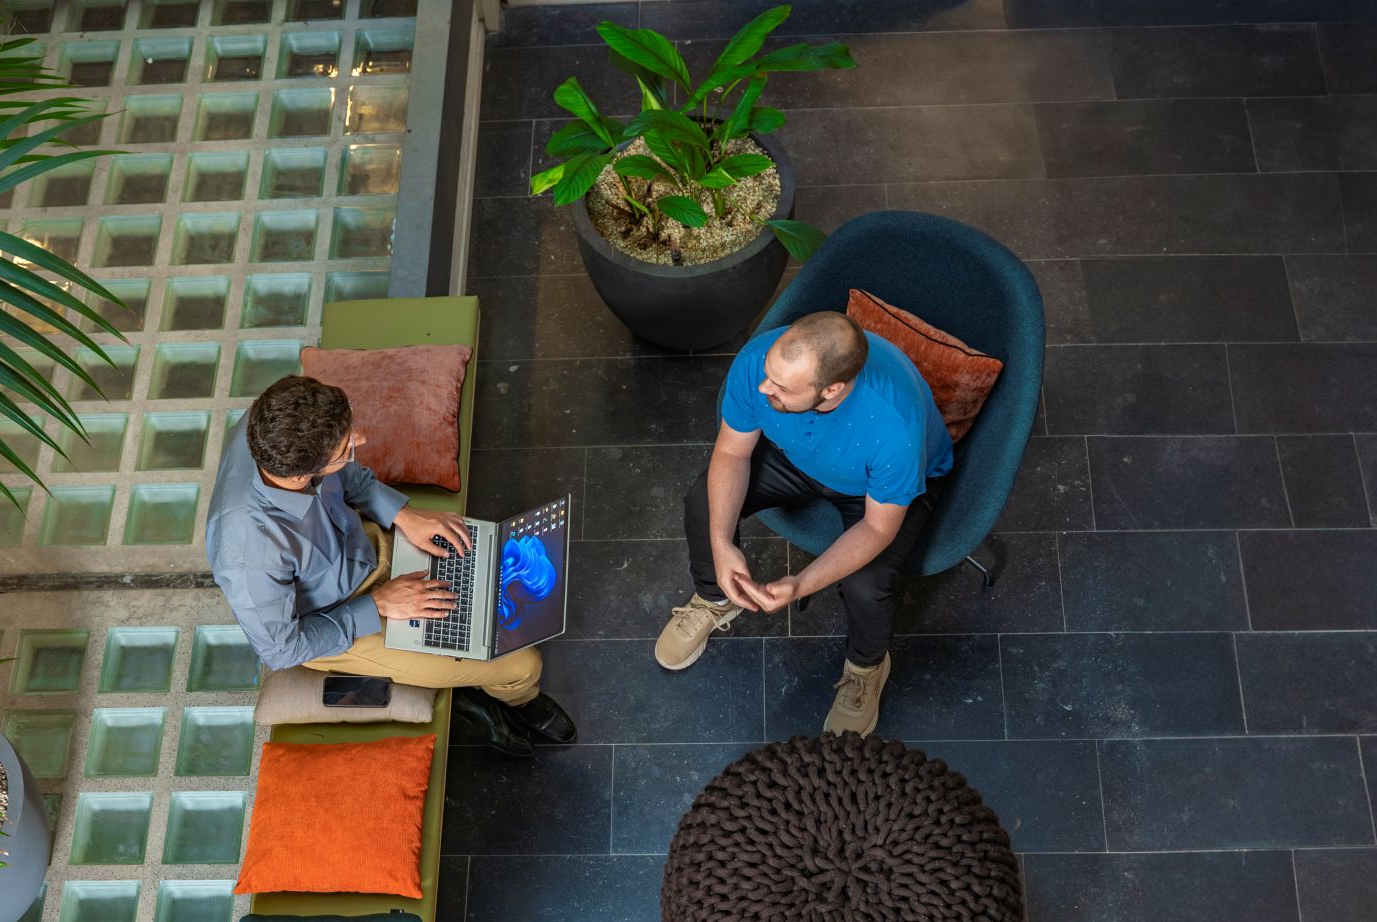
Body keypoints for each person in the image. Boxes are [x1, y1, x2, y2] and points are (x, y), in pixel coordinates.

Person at [207, 375, 577, 756]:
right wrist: (380, 604)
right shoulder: (247, 556)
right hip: (340, 618)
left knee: (483, 563)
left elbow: (345, 475)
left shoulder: (271, 422)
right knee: (523, 664)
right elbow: (282, 650)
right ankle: (517, 698)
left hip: (363, 547)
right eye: (347, 447)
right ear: (302, 475)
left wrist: (403, 515)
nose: (361, 440)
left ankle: (466, 670)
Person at [655, 311, 953, 737]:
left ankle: (866, 668)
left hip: (873, 490)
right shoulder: (758, 361)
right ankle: (714, 598)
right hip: (794, 457)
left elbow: (877, 528)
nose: (764, 388)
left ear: (832, 390)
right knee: (704, 503)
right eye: (769, 375)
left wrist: (800, 584)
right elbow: (733, 452)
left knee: (867, 584)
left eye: (781, 388)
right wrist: (721, 543)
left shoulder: (894, 426)